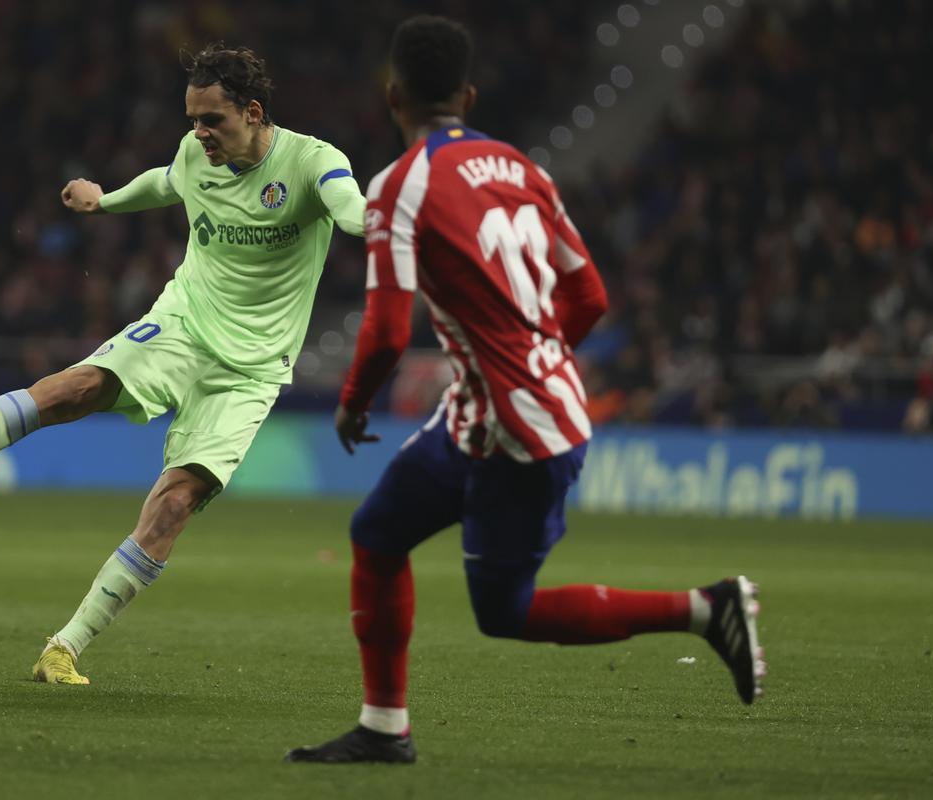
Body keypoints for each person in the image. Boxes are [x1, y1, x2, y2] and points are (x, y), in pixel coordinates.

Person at [285, 16, 765, 765]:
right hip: (496, 413)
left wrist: (352, 404)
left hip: (521, 432)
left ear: (391, 96)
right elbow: (591, 295)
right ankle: (384, 728)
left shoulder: (399, 187)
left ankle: (707, 609)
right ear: (469, 95)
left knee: (503, 612)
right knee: (377, 536)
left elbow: (383, 329)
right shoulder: (521, 168)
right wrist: (531, 362)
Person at [0, 44, 367, 685]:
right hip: (186, 323)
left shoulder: (313, 161)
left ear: (253, 112)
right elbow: (166, 181)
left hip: (253, 370)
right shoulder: (193, 155)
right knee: (78, 386)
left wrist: (376, 222)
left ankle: (62, 648)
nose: (199, 134)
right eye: (193, 120)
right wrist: (106, 199)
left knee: (175, 504)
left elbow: (348, 207)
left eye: (213, 121)